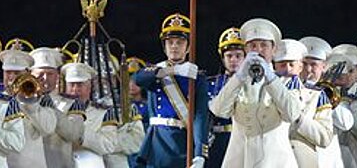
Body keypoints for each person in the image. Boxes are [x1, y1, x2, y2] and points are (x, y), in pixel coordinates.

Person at [209, 18, 302, 167]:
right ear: (246, 50)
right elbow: (219, 110)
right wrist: (239, 75)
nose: (258, 50)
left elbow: (292, 114)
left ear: (274, 49)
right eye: (253, 46)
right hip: (241, 160)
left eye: (264, 45)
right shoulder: (236, 83)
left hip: (276, 161)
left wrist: (270, 78)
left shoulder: (286, 82)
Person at [133, 13, 208, 168]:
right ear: (164, 46)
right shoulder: (156, 71)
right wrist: (172, 71)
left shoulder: (196, 77)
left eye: (180, 42)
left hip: (182, 141)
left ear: (188, 47)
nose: (174, 46)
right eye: (170, 42)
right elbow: (138, 79)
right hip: (157, 141)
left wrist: (200, 153)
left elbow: (200, 116)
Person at [274, 39, 333, 168]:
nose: (287, 69)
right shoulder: (264, 92)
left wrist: (298, 119)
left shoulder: (317, 95)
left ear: (299, 67)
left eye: (291, 64)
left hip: (301, 161)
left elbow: (325, 137)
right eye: (282, 64)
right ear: (275, 66)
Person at [0, 47, 56, 168]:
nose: (11, 77)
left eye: (17, 73)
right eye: (8, 72)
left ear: (27, 74)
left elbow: (48, 129)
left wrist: (29, 102)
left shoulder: (42, 100)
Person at [30, 47, 85, 168]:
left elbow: (73, 134)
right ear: (31, 75)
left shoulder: (72, 103)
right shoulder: (23, 101)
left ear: (57, 76)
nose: (44, 78)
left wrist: (52, 109)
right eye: (40, 74)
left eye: (50, 74)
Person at [63, 62, 119, 167]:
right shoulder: (57, 110)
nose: (75, 89)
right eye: (71, 84)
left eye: (80, 85)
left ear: (89, 87)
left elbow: (109, 145)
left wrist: (82, 136)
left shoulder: (103, 113)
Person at [205, 27, 244, 168]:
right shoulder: (210, 83)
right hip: (217, 142)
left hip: (242, 141)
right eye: (229, 56)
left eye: (238, 55)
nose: (233, 60)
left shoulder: (253, 83)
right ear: (222, 58)